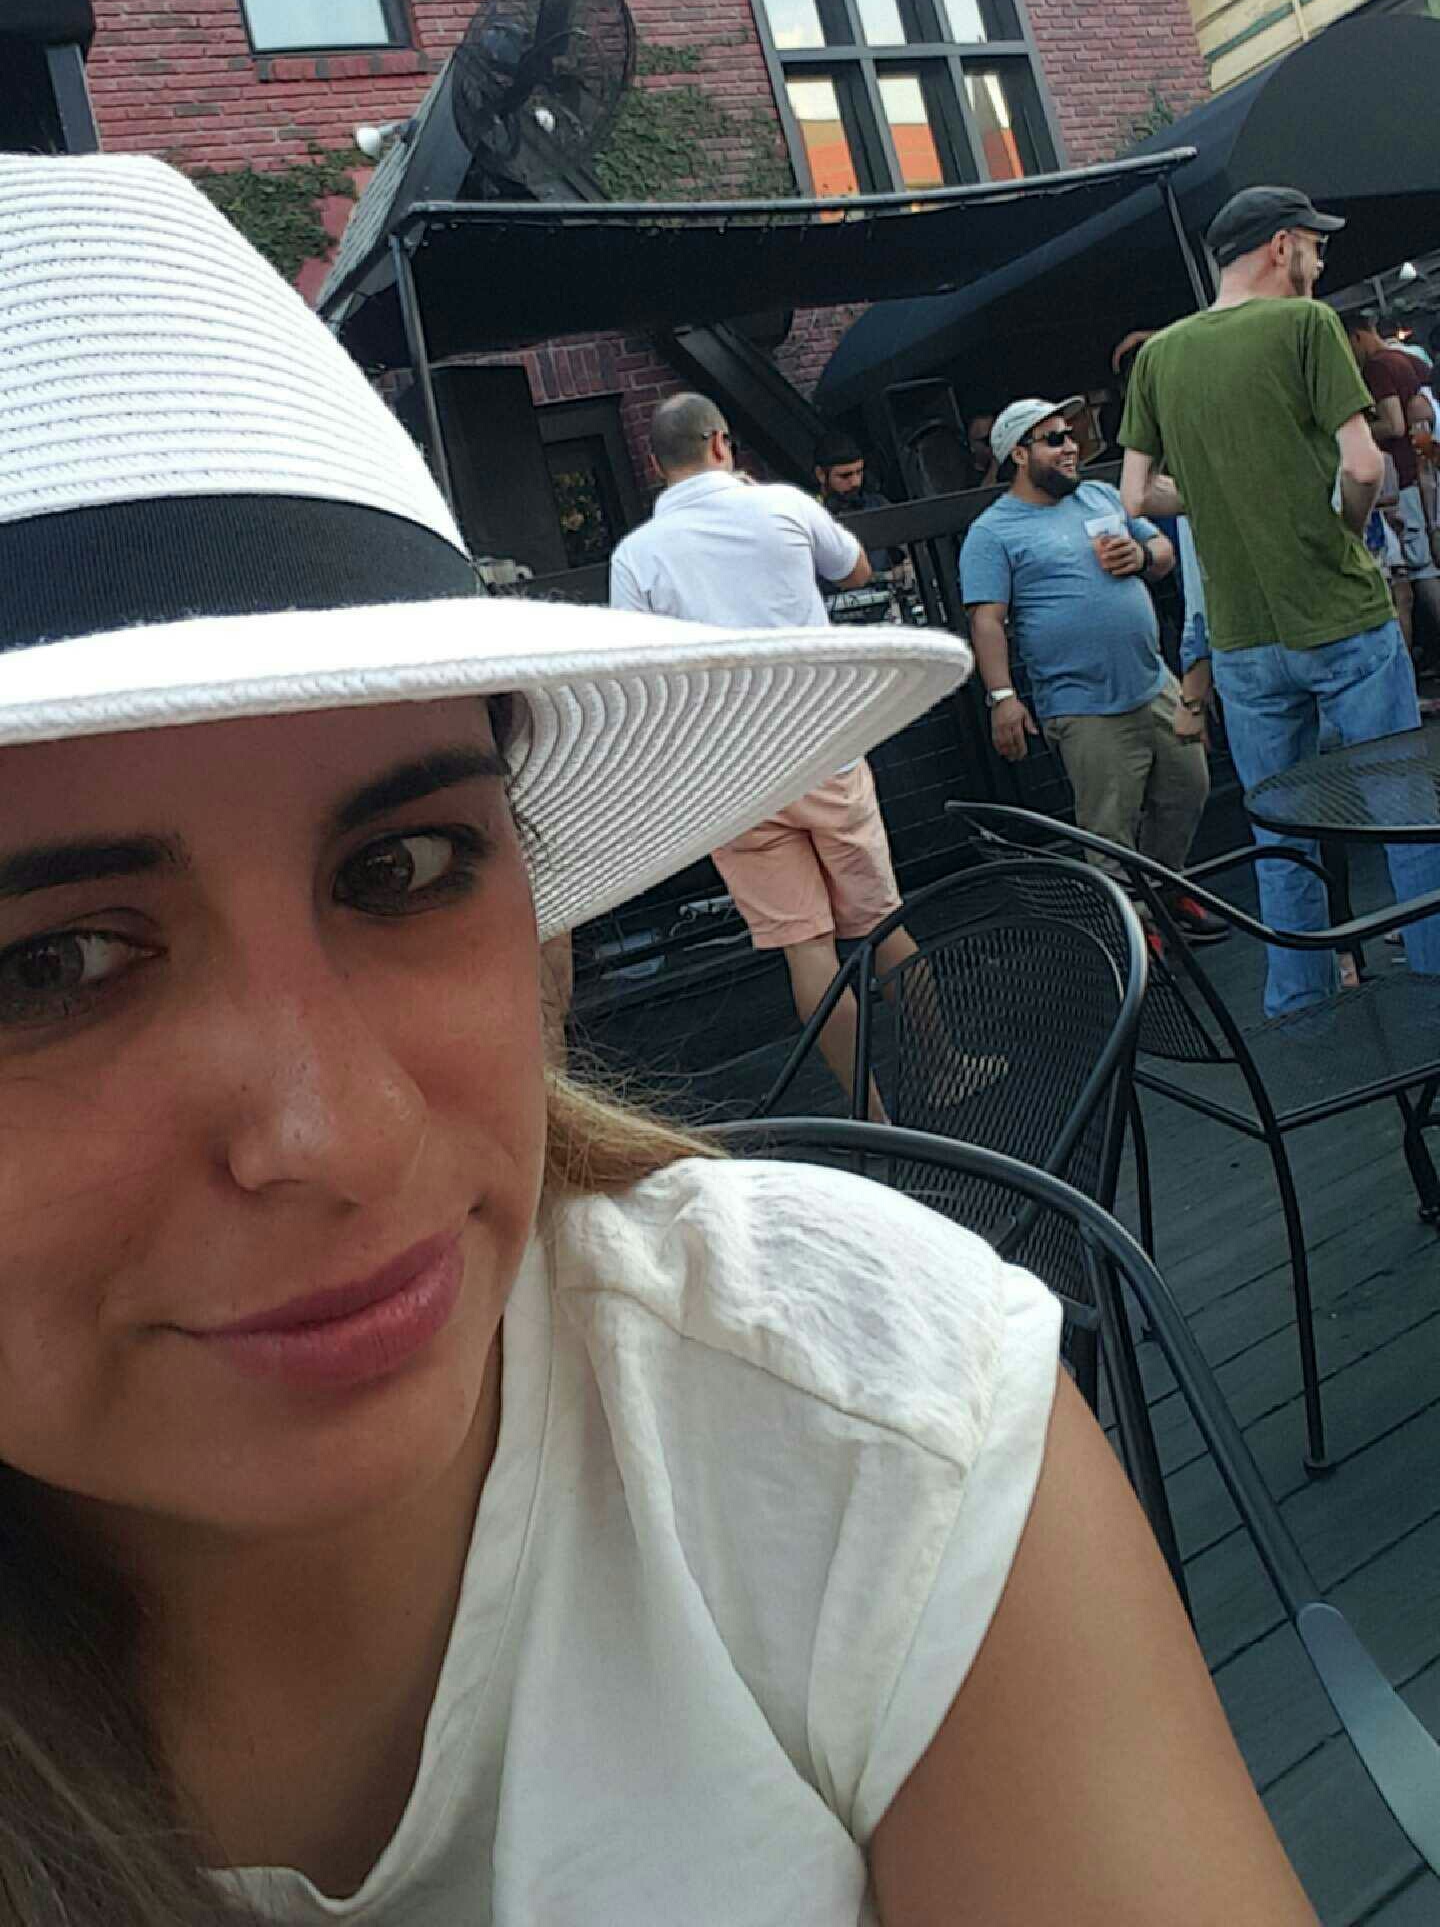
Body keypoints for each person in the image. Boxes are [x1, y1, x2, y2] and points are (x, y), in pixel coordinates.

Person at [0, 154, 1319, 1927]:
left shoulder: (852, 1419)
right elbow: (846, 560)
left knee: (805, 943)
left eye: (404, 866)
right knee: (870, 926)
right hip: (850, 782)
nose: (340, 1133)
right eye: (50, 966)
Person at [1120, 184, 1440, 1017]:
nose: (1320, 262)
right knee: (1402, 804)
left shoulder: (1159, 356)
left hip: (1243, 638)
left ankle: (1300, 1007)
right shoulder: (1305, 324)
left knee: (1282, 829)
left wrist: (1221, 496)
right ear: (1281, 245)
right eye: (1316, 247)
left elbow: (1136, 495)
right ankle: (1435, 983)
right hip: (1338, 610)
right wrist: (1344, 529)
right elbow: (1363, 467)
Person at [611, 394, 916, 1112]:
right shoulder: (782, 505)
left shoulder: (636, 555)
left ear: (656, 464)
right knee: (883, 922)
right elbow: (857, 571)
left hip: (732, 777)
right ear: (722, 443)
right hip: (821, 747)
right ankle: (943, 1064)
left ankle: (872, 1114)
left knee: (806, 950)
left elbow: (636, 670)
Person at [959, 399, 1224, 942]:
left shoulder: (1100, 496)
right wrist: (1003, 697)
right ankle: (1135, 930)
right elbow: (987, 620)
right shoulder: (992, 532)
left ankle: (1165, 889)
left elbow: (1162, 549)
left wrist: (1142, 558)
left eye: (1070, 435)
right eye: (1054, 439)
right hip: (1081, 702)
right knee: (1109, 825)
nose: (1071, 447)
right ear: (1018, 454)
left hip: (1151, 680)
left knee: (1189, 786)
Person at [1344, 310, 1440, 659]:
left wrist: (1350, 434)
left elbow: (1394, 424)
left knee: (1420, 569)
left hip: (1404, 479)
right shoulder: (1410, 360)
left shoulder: (1378, 368)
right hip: (1425, 468)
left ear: (1357, 337)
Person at [814, 426, 897, 574]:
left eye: (859, 472)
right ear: (821, 474)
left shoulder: (878, 505)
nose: (855, 482)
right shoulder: (809, 516)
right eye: (845, 476)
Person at [965, 410, 1000, 487]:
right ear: (971, 444)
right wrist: (994, 466)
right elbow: (987, 492)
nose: (993, 444)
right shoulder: (964, 474)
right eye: (986, 440)